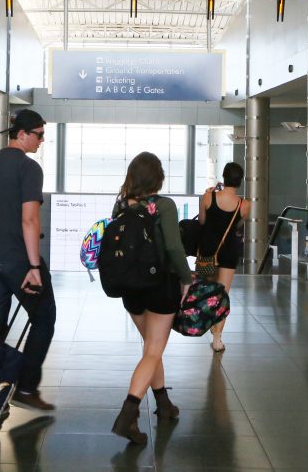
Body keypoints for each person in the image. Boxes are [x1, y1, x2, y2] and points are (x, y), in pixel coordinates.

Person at [0, 109, 56, 411]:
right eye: (39, 134)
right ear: (21, 135)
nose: (41, 141)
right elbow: (30, 220)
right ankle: (26, 387)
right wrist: (34, 266)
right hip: (17, 260)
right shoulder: (28, 167)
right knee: (44, 318)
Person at [111, 152, 193, 445]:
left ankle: (164, 403)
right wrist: (187, 278)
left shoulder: (120, 205)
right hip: (160, 285)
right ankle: (128, 414)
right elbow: (173, 246)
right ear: (157, 178)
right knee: (153, 350)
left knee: (151, 348)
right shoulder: (164, 205)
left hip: (131, 288)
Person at [198, 162, 251, 353]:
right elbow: (237, 226)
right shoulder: (244, 205)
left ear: (224, 176)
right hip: (229, 251)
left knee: (206, 290)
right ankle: (217, 339)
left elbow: (202, 221)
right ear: (240, 180)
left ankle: (203, 320)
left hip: (207, 251)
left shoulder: (207, 196)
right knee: (223, 294)